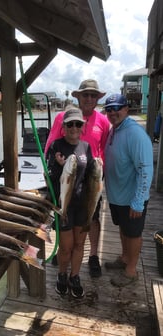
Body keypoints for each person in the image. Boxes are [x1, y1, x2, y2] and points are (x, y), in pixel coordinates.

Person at [45, 79, 110, 277]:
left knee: (93, 217)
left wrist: (100, 171)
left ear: (98, 99)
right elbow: (51, 146)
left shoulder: (103, 121)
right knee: (65, 219)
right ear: (78, 97)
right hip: (67, 175)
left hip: (91, 179)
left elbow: (104, 149)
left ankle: (93, 256)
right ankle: (61, 251)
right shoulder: (61, 119)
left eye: (93, 95)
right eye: (85, 94)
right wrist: (53, 168)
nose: (89, 98)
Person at [103, 93, 154, 287]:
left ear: (126, 109)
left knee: (133, 233)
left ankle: (131, 271)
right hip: (117, 196)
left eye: (117, 108)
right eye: (109, 109)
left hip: (132, 198)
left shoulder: (135, 133)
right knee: (124, 229)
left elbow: (146, 169)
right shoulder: (115, 129)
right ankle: (124, 258)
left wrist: (138, 201)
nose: (113, 112)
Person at [46, 107, 96, 298]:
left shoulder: (86, 147)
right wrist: (59, 167)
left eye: (78, 124)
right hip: (64, 206)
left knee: (79, 244)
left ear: (82, 127)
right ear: (64, 127)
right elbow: (50, 178)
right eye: (70, 124)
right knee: (66, 246)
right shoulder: (56, 146)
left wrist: (97, 168)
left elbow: (90, 175)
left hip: (82, 205)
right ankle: (61, 275)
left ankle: (75, 276)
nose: (74, 127)